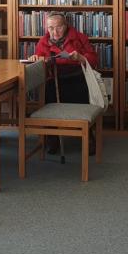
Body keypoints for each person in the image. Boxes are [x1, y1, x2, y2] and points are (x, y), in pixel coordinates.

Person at [28, 12, 98, 154]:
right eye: (50, 28)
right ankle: (52, 138)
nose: (54, 32)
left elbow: (93, 59)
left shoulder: (79, 37)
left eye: (58, 27)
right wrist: (37, 60)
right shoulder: (43, 41)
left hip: (77, 76)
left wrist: (80, 57)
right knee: (48, 93)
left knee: (82, 93)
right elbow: (40, 65)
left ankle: (87, 134)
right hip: (55, 78)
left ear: (65, 26)